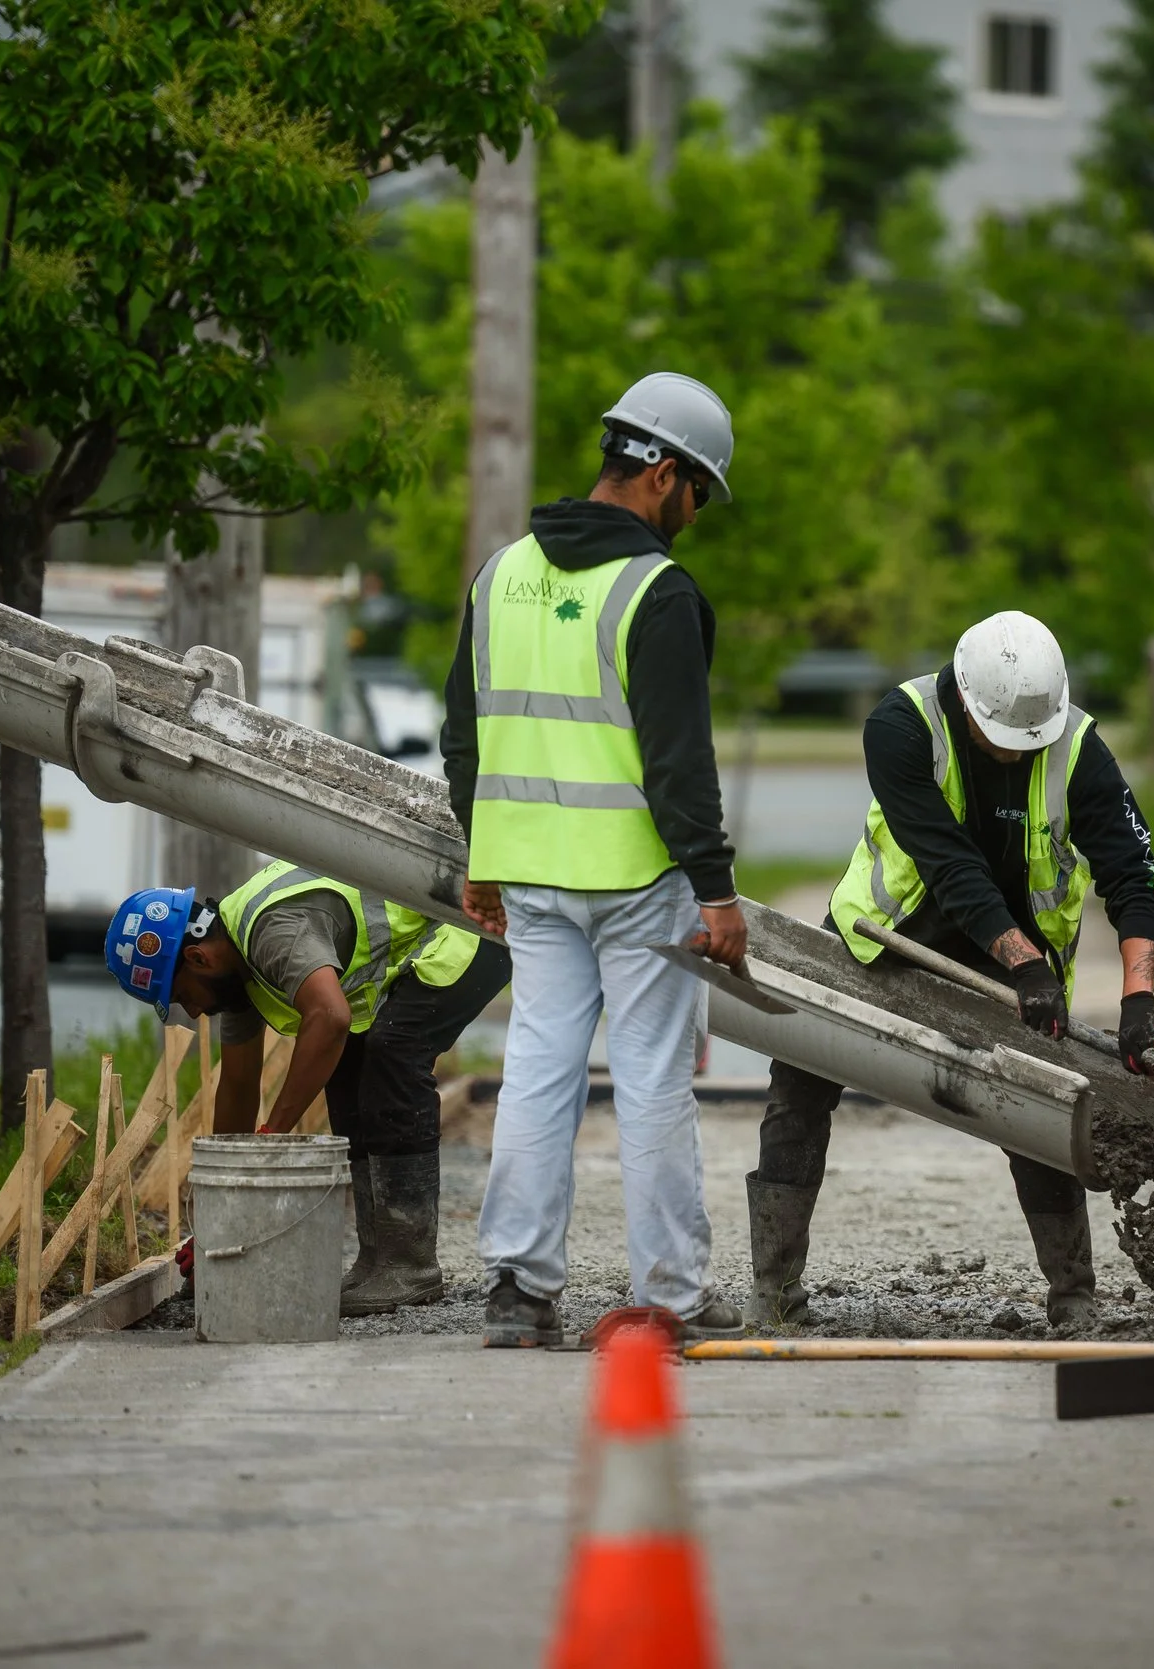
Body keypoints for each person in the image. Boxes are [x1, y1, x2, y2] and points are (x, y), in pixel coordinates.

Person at [747, 611, 1154, 1331]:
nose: (1013, 756)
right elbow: (950, 865)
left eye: (1026, 745)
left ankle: (1074, 1297)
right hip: (885, 935)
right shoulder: (901, 725)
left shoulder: (1078, 748)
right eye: (1000, 740)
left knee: (1041, 1106)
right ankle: (775, 1287)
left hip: (1019, 959)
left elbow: (1137, 876)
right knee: (799, 1079)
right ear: (963, 698)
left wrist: (1140, 996)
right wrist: (1028, 966)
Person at [443, 371, 749, 1348]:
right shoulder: (657, 592)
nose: (694, 515)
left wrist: (482, 850)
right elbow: (677, 765)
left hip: (529, 876)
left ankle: (518, 1292)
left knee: (538, 1067)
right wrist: (717, 888)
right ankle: (670, 1295)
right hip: (636, 883)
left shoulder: (499, 575)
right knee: (653, 1079)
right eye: (698, 494)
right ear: (664, 474)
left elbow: (466, 737)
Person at [103, 863, 510, 1315]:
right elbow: (238, 1086)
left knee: (393, 1049)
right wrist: (222, 1222)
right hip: (429, 942)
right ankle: (378, 1261)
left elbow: (330, 1017)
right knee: (347, 1064)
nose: (195, 1011)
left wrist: (274, 1137)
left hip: (468, 926)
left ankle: (408, 1265)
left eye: (184, 996)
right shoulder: (237, 973)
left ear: (199, 959)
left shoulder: (270, 933)